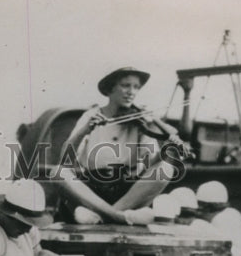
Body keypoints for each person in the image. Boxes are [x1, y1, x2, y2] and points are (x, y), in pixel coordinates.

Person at [56, 66, 186, 226]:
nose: (132, 92)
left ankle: (101, 217)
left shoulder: (140, 122)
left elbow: (151, 164)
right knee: (58, 173)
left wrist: (166, 148)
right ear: (110, 89)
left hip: (126, 192)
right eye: (125, 85)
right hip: (92, 189)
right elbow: (65, 159)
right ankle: (120, 217)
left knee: (165, 169)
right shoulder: (91, 115)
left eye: (136, 87)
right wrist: (85, 130)